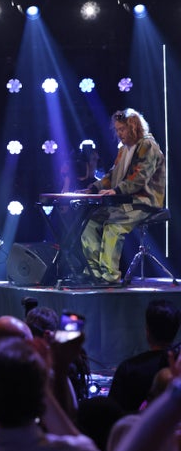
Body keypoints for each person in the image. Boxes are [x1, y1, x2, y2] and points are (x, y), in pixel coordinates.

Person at [78, 108, 165, 284]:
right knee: (90, 222)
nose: (119, 133)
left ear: (133, 127)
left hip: (144, 202)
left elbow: (140, 177)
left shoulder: (147, 146)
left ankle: (109, 275)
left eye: (122, 129)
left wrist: (117, 191)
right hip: (126, 201)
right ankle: (94, 271)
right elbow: (112, 175)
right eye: (117, 130)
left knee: (113, 226)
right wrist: (93, 188)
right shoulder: (124, 149)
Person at [108, 299, 181, 412]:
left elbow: (112, 415)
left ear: (147, 330)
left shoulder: (128, 369)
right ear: (176, 330)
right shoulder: (177, 368)